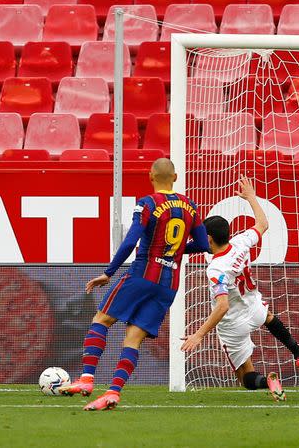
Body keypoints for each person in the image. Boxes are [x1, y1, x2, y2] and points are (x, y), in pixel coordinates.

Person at [59, 158, 209, 410]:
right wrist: (178, 249)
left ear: (150, 176)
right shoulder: (191, 206)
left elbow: (130, 242)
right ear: (175, 176)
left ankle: (86, 379)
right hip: (168, 284)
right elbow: (204, 245)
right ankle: (113, 393)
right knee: (133, 339)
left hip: (141, 275)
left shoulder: (147, 204)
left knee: (102, 320)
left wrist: (109, 272)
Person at [180, 176, 299, 400]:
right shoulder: (241, 241)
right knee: (270, 318)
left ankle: (269, 381)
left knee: (245, 377)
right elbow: (263, 223)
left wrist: (198, 334)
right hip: (253, 305)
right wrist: (251, 197)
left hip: (233, 322)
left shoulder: (215, 269)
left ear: (209, 238)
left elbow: (222, 305)